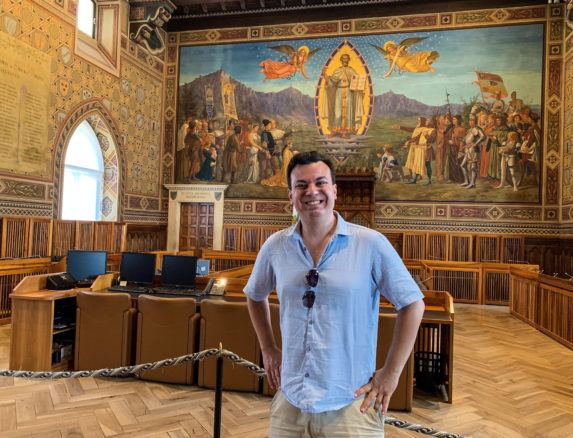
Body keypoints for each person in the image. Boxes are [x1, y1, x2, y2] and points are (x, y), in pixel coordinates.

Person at [245, 151, 424, 437]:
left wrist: (391, 373)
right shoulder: (275, 247)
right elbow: (254, 295)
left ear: (334, 190)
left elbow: (413, 304)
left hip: (351, 404)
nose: (311, 191)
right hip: (291, 402)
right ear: (291, 195)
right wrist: (268, 349)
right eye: (301, 185)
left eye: (320, 182)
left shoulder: (370, 244)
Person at [321, 54, 365, 138]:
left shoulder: (351, 70)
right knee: (337, 113)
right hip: (339, 92)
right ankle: (334, 131)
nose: (345, 60)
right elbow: (331, 83)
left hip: (349, 92)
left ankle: (344, 133)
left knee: (349, 113)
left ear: (348, 60)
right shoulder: (338, 70)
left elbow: (358, 81)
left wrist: (360, 85)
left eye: (347, 59)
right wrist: (324, 74)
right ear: (341, 60)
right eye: (344, 59)